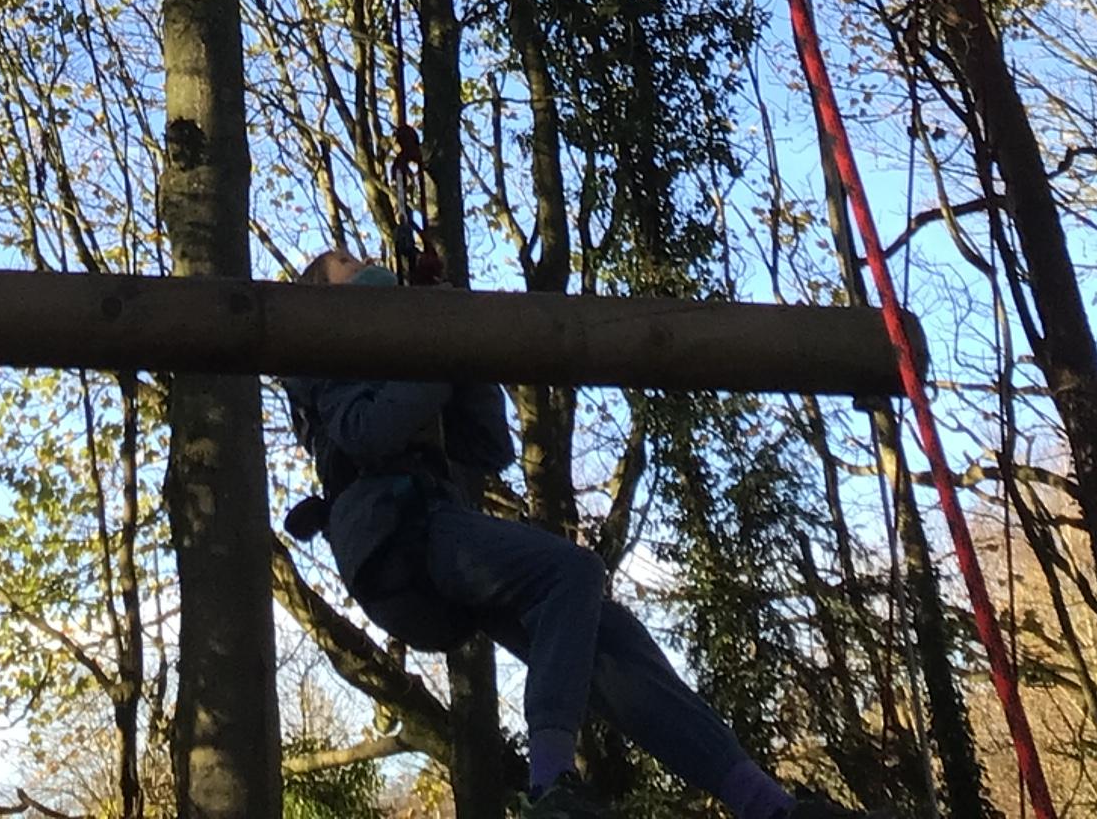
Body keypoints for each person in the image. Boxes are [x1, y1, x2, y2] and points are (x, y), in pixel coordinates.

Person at [284, 253, 887, 819]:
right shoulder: (327, 353)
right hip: (397, 534)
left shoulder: (395, 355)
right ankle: (551, 781)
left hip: (431, 531)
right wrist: (437, 350)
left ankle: (765, 804)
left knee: (614, 644)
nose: (367, 262)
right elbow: (367, 433)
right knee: (570, 571)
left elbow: (487, 446)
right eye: (347, 263)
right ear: (324, 297)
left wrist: (456, 341)